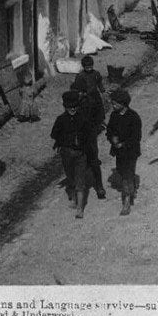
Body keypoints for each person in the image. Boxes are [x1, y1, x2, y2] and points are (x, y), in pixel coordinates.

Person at [51, 91, 94, 219]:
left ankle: (80, 208)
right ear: (65, 106)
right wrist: (61, 142)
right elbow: (54, 134)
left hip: (81, 154)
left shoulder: (84, 119)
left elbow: (90, 136)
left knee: (80, 180)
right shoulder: (60, 120)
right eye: (70, 106)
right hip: (66, 154)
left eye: (75, 106)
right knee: (71, 177)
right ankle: (75, 199)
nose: (73, 109)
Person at [73, 56, 107, 199]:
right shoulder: (80, 77)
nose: (89, 68)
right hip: (86, 103)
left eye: (90, 65)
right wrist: (82, 95)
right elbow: (76, 90)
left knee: (93, 155)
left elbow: (100, 85)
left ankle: (99, 187)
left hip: (94, 104)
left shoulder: (96, 74)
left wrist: (103, 91)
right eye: (86, 66)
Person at [106, 89, 142, 216]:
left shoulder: (133, 117)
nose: (113, 106)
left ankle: (127, 201)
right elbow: (109, 130)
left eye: (116, 104)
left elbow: (136, 136)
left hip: (131, 151)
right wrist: (112, 138)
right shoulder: (114, 116)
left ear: (124, 103)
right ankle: (132, 186)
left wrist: (124, 144)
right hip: (119, 152)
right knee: (122, 171)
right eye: (112, 103)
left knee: (126, 176)